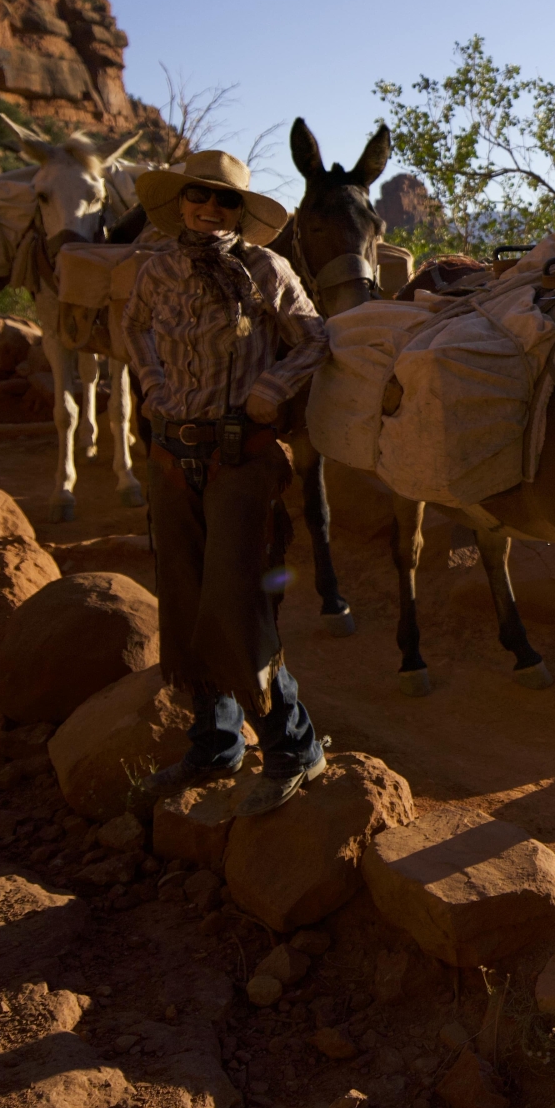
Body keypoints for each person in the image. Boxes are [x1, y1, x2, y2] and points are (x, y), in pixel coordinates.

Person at [121, 149, 331, 816]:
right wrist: (153, 387)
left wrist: (272, 388)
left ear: (242, 211)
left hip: (242, 458)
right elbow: (134, 331)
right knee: (184, 602)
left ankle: (294, 746)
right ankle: (214, 744)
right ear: (180, 203)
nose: (208, 211)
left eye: (224, 201)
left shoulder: (267, 269)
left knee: (234, 602)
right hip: (170, 456)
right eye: (197, 198)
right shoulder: (155, 270)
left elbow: (314, 339)